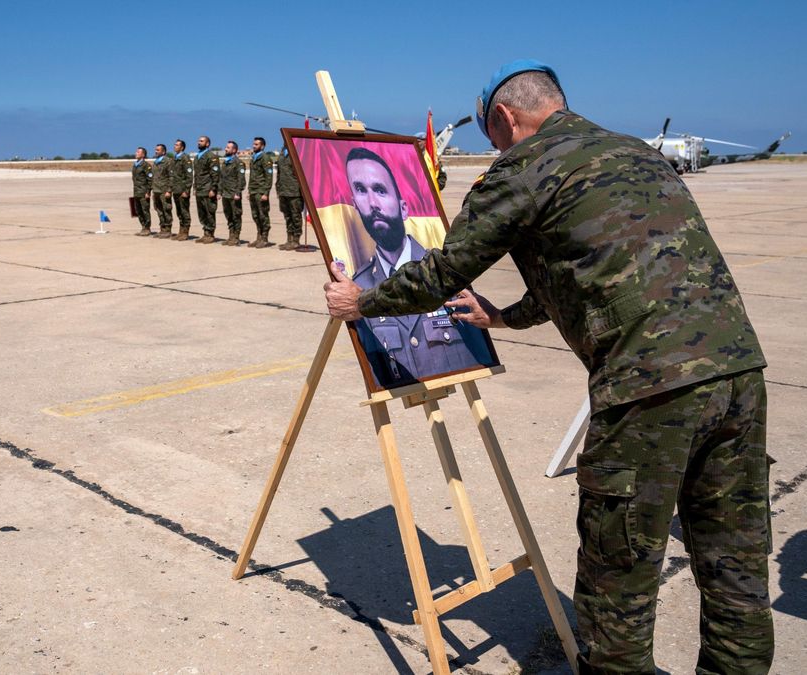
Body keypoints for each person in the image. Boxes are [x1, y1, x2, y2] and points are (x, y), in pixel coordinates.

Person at [323, 59, 773, 674]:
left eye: (492, 134)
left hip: (650, 388)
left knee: (619, 583)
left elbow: (443, 271)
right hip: (738, 373)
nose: (494, 146)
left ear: (504, 117)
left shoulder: (523, 168)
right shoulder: (632, 152)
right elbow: (589, 268)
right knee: (734, 566)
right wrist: (503, 319)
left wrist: (362, 301)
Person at [343, 147, 492, 388]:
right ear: (355, 205)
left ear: (403, 208)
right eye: (360, 190)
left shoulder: (445, 272)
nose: (372, 203)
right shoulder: (357, 287)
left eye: (380, 190)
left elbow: (476, 349)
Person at [275, 147, 304, 250]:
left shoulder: (297, 152)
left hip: (295, 191)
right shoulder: (282, 153)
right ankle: (289, 239)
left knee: (296, 216)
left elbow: (302, 173)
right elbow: (279, 173)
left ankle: (296, 240)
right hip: (283, 191)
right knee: (287, 216)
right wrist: (278, 189)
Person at [192, 135, 221, 244]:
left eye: (202, 141)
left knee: (209, 212)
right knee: (202, 213)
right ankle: (205, 233)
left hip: (208, 189)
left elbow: (215, 174)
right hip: (200, 189)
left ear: (207, 144)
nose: (199, 142)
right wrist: (195, 187)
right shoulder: (197, 157)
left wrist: (213, 189)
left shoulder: (211, 156)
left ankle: (210, 234)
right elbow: (197, 175)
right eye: (198, 141)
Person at [247, 137, 274, 247]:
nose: (254, 146)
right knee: (255, 215)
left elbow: (269, 176)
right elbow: (252, 177)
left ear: (262, 146)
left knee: (263, 215)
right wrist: (249, 191)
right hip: (253, 191)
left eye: (256, 144)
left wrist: (266, 193)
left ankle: (264, 238)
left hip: (261, 191)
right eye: (254, 144)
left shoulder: (265, 158)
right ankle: (259, 236)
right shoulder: (253, 158)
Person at [219, 140, 246, 246]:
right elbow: (222, 178)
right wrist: (219, 192)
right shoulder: (225, 162)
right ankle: (231, 235)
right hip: (226, 194)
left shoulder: (238, 163)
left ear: (234, 150)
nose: (226, 149)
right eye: (226, 147)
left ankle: (236, 237)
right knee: (228, 215)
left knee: (236, 215)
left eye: (228, 147)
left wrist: (238, 192)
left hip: (234, 194)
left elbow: (241, 179)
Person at [169, 139, 194, 240]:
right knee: (179, 212)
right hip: (176, 190)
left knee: (184, 211)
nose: (175, 146)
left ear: (182, 147)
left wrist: (187, 190)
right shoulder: (174, 158)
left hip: (182, 190)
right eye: (174, 144)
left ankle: (185, 232)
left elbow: (189, 176)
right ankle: (181, 231)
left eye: (177, 145)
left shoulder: (185, 158)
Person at [149, 143, 173, 238]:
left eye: (158, 150)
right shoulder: (156, 162)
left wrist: (169, 190)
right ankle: (162, 229)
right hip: (156, 190)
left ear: (163, 151)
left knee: (166, 210)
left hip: (164, 190)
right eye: (155, 150)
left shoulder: (168, 161)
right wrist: (152, 190)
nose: (156, 151)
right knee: (159, 210)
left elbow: (171, 177)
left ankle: (168, 230)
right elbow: (154, 177)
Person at [131, 146, 153, 236]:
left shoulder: (146, 165)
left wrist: (148, 192)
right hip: (136, 191)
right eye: (136, 151)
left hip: (144, 192)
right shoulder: (135, 164)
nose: (136, 153)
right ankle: (143, 227)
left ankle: (147, 228)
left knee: (145, 210)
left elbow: (150, 179)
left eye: (138, 152)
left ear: (143, 154)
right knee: (138, 211)